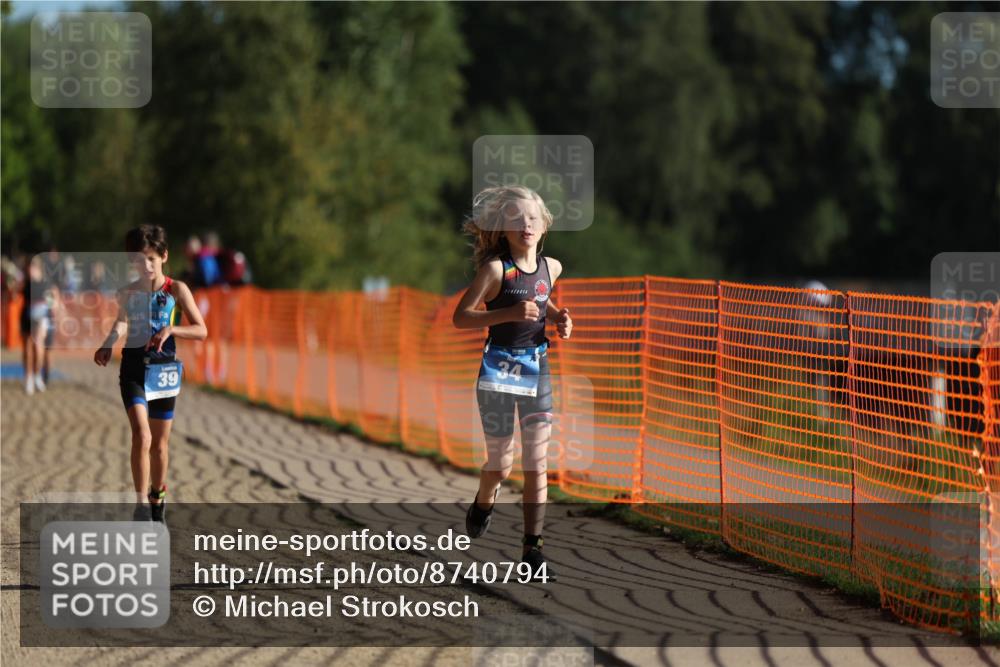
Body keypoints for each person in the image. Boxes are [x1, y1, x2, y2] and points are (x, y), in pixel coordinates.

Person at [452, 185, 572, 579]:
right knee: (501, 464)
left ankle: (532, 551)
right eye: (517, 219)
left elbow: (541, 297)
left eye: (533, 218)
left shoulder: (551, 267)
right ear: (503, 229)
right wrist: (506, 315)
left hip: (538, 368)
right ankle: (484, 503)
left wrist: (557, 318)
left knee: (537, 461)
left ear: (544, 225)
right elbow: (462, 317)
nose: (527, 225)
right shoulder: (495, 270)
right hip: (499, 369)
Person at [94, 225, 207, 522]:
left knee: (159, 445)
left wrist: (172, 329)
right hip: (132, 369)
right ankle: (141, 503)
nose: (143, 266)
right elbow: (121, 323)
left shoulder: (177, 290)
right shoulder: (128, 292)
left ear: (164, 257)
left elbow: (201, 329)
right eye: (136, 260)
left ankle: (158, 494)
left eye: (150, 260)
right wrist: (107, 344)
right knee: (141, 435)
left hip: (164, 372)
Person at [20, 255, 60, 395]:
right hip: (26, 317)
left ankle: (37, 376)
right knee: (27, 349)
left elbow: (53, 302)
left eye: (31, 267)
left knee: (38, 348)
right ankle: (28, 378)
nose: (28, 270)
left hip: (41, 318)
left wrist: (50, 312)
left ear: (38, 268)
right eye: (28, 267)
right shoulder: (25, 283)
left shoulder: (46, 284)